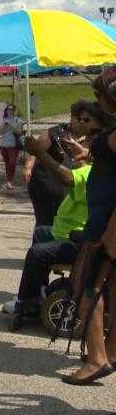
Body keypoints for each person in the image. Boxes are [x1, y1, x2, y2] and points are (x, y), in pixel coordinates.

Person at [59, 71, 116, 385]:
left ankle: (96, 358)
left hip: (106, 221)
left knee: (87, 284)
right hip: (106, 217)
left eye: (100, 95)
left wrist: (112, 229)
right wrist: (90, 154)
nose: (98, 103)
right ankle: (112, 350)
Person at [3, 128, 95, 319]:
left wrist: (39, 153)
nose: (82, 143)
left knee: (36, 253)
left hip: (81, 240)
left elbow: (66, 177)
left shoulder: (93, 172)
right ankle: (35, 292)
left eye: (87, 142)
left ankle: (28, 303)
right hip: (69, 231)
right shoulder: (94, 167)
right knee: (40, 233)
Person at [24, 101, 107, 227]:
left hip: (73, 188)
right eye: (78, 118)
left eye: (86, 119)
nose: (81, 122)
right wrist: (28, 167)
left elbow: (70, 178)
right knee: (45, 224)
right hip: (47, 184)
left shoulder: (99, 139)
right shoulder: (55, 133)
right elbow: (35, 151)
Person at [0, 104, 23, 190]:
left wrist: (11, 126)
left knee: (12, 163)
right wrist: (4, 127)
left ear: (14, 111)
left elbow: (19, 132)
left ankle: (10, 181)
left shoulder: (18, 120)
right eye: (8, 109)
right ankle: (9, 181)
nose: (10, 111)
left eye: (11, 109)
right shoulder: (3, 120)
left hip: (13, 145)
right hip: (3, 145)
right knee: (7, 163)